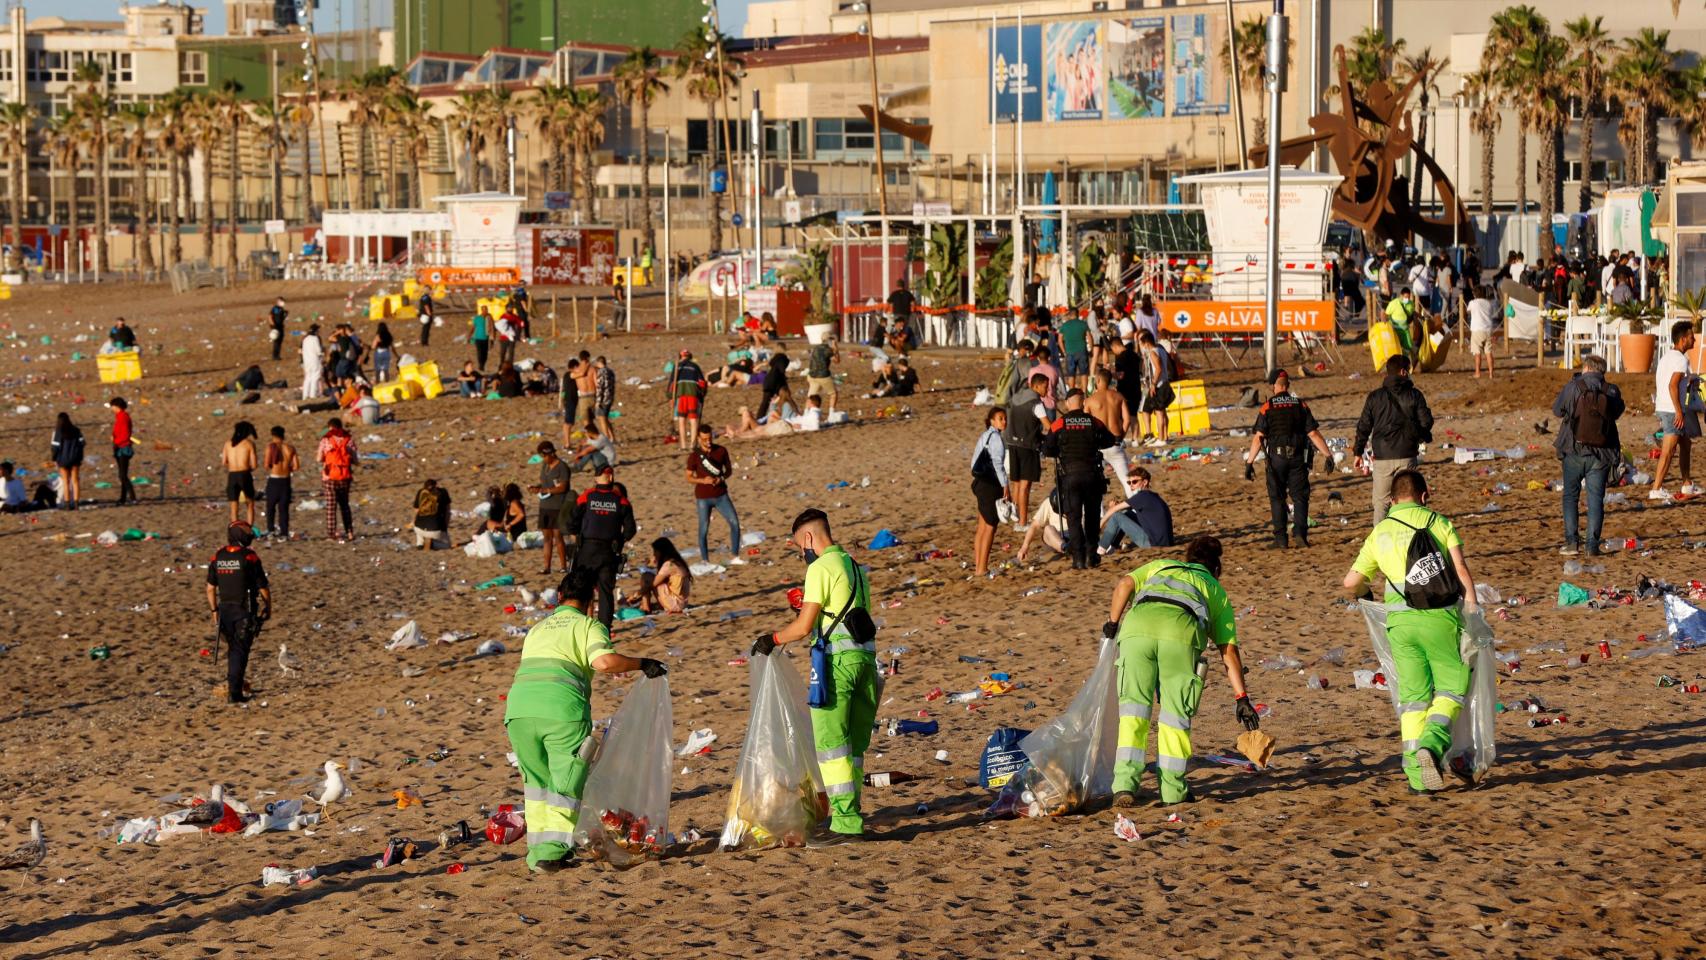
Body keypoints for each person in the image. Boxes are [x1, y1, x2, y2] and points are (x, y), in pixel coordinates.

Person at [504, 566, 666, 873]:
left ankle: (537, 854)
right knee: (566, 781)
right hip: (561, 711)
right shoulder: (588, 626)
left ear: (560, 598)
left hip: (519, 711)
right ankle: (553, 854)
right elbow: (603, 662)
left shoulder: (538, 629)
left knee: (537, 784)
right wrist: (643, 663)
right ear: (590, 601)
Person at [1342, 470, 1481, 794]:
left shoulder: (1381, 532)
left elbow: (1350, 582)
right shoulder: (1438, 522)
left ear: (1391, 499)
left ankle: (1418, 781)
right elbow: (1460, 569)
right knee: (1451, 689)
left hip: (1400, 624)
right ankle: (1432, 745)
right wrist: (1473, 611)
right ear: (1425, 494)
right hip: (1440, 619)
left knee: (1414, 699)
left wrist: (1366, 593)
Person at [750, 508, 877, 844]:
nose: (800, 553)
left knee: (832, 744)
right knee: (854, 744)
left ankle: (846, 822)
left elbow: (804, 627)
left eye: (798, 547)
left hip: (837, 664)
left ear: (807, 538)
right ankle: (852, 813)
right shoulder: (854, 566)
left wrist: (771, 639)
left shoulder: (820, 567)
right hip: (866, 660)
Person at [1104, 535, 1256, 806]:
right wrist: (1241, 698)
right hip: (1180, 636)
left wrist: (1113, 624)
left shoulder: (1162, 565)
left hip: (1136, 630)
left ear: (1186, 560)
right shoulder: (1215, 590)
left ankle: (1124, 785)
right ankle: (1173, 792)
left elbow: (1125, 584)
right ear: (1216, 570)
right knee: (1174, 717)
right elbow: (1228, 651)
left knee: (1133, 713)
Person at [1245, 369, 1335, 549]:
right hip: (1297, 457)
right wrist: (1328, 455)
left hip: (1276, 459)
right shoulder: (1300, 405)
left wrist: (1249, 463)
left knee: (1277, 497)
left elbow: (1259, 437)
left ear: (1273, 386)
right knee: (1300, 497)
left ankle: (1281, 539)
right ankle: (1300, 534)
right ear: (1288, 385)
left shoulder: (1267, 407)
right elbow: (1313, 433)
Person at [1551, 355, 1624, 555]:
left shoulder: (1573, 387)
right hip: (1602, 453)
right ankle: (1592, 546)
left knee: (1570, 496)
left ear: (1586, 368)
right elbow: (1618, 412)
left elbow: (1557, 410)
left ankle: (1572, 543)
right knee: (1595, 499)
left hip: (1573, 449)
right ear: (1602, 371)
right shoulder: (1611, 390)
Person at [1352, 354, 1434, 524]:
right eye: (1409, 370)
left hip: (1382, 457)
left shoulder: (1375, 397)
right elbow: (1426, 422)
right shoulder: (1414, 395)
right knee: (1410, 502)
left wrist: (1358, 452)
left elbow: (1364, 426)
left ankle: (1380, 542)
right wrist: (1417, 435)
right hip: (1407, 455)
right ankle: (1409, 536)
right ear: (1403, 372)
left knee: (1381, 503)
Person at [1044, 389, 1119, 569]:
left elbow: (1047, 449)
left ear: (1068, 403)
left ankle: (1078, 558)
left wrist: (1060, 451)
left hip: (1070, 477)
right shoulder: (1094, 422)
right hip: (1092, 475)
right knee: (1092, 517)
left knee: (1074, 518)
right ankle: (1091, 556)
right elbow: (1109, 440)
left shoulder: (1059, 423)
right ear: (1084, 403)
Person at [205, 521, 272, 705]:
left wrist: (214, 611)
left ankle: (235, 685)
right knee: (239, 652)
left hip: (225, 611)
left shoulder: (217, 556)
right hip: (244, 611)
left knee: (234, 649)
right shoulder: (250, 557)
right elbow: (263, 586)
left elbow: (210, 588)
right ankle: (235, 692)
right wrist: (268, 606)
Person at [567, 462, 636, 629]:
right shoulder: (621, 500)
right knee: (605, 592)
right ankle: (604, 630)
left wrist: (579, 534)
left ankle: (580, 626)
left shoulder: (586, 497)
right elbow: (630, 530)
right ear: (611, 478)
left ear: (596, 478)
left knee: (582, 590)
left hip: (587, 550)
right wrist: (618, 541)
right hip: (608, 552)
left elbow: (572, 522)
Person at [1651, 320, 1698, 501]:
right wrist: (1679, 411)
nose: (1694, 341)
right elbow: (1672, 385)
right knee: (1668, 451)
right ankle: (1656, 488)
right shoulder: (1681, 359)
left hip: (1664, 406)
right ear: (1683, 339)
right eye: (1692, 337)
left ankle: (1687, 484)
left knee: (1686, 444)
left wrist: (1689, 380)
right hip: (1672, 410)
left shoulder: (1667, 356)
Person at [687, 426, 745, 568]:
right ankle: (705, 560)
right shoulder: (694, 456)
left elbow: (729, 471)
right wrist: (703, 481)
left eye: (710, 438)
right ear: (699, 439)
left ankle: (735, 556)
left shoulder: (721, 451)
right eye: (705, 439)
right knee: (703, 529)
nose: (708, 442)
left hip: (721, 495)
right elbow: (688, 477)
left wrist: (722, 478)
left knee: (735, 523)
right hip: (703, 497)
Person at [1004, 372, 1049, 529]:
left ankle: (1018, 520)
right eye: (1045, 386)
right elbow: (1048, 426)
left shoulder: (1016, 398)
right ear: (1036, 386)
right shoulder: (1036, 403)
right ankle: (1023, 522)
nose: (1047, 390)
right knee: (1025, 486)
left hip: (1012, 443)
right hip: (1027, 446)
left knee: (1016, 484)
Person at [970, 407, 1010, 577]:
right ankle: (981, 568)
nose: (1004, 421)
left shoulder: (984, 436)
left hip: (980, 483)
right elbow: (998, 466)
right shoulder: (996, 439)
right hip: (990, 485)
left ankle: (978, 566)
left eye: (1005, 418)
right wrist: (1006, 486)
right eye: (1000, 418)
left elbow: (973, 463)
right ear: (992, 421)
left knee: (981, 527)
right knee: (990, 527)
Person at [1096, 466, 1173, 553]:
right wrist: (1116, 508)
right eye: (1129, 482)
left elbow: (1113, 511)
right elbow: (1126, 509)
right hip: (1166, 542)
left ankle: (1100, 549)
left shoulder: (1141, 496)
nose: (1131, 485)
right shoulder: (1151, 496)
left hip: (1154, 544)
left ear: (1145, 482)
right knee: (1126, 514)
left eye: (1135, 482)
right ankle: (1113, 547)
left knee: (1117, 516)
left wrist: (1100, 525)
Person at [1085, 368, 1135, 497]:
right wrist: (1120, 436)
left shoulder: (1090, 400)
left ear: (1098, 380)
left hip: (1098, 445)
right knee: (1127, 480)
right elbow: (1127, 420)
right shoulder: (1118, 396)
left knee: (1095, 483)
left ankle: (1100, 514)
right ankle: (1137, 510)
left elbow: (1085, 425)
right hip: (1115, 442)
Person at [532, 441, 572, 576]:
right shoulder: (545, 466)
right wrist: (537, 488)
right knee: (547, 538)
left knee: (558, 536)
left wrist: (545, 489)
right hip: (545, 506)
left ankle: (563, 566)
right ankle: (546, 567)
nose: (543, 459)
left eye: (544, 456)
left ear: (550, 453)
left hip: (558, 506)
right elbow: (545, 482)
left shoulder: (562, 467)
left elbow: (563, 487)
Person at [626, 537, 694, 613]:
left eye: (655, 552)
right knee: (649, 579)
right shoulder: (677, 561)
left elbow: (652, 584)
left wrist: (634, 596)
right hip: (682, 603)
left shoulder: (669, 565)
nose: (654, 554)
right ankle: (644, 604)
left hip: (675, 604)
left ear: (661, 552)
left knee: (646, 577)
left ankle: (646, 607)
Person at [316, 417, 357, 541]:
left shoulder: (326, 439)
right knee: (345, 506)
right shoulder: (348, 440)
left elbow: (318, 458)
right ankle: (349, 532)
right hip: (345, 476)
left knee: (331, 507)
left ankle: (331, 534)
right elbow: (355, 459)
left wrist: (327, 459)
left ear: (330, 427)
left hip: (329, 477)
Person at [1137, 330, 1173, 447]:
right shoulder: (1161, 350)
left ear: (1146, 343)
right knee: (1162, 413)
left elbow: (1158, 369)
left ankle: (1161, 438)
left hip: (1159, 385)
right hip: (1165, 383)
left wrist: (1153, 384)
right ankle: (1165, 437)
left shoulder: (1153, 352)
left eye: (1142, 344)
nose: (1142, 347)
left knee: (1159, 413)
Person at [263, 425, 299, 540]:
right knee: (284, 508)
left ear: (273, 435)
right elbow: (296, 466)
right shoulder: (290, 448)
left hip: (274, 479)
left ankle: (271, 530)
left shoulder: (271, 447)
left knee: (271, 507)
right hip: (286, 479)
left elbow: (266, 465)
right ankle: (284, 532)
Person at [221, 421, 259, 527]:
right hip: (244, 474)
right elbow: (254, 464)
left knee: (234, 505)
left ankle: (235, 527)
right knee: (250, 503)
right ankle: (249, 527)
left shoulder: (228, 444)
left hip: (232, 475)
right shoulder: (249, 444)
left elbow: (224, 461)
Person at [670, 350, 707, 451]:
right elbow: (702, 382)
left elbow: (672, 384)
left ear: (680, 356)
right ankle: (693, 445)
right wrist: (702, 394)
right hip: (693, 396)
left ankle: (683, 445)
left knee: (681, 420)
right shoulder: (695, 366)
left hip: (681, 396)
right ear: (690, 356)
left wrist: (670, 397)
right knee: (693, 420)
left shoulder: (676, 367)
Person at [1110, 337, 1146, 442]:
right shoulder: (1134, 354)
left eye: (1112, 350)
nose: (1113, 352)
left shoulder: (1120, 358)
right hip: (1136, 387)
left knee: (1122, 415)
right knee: (1133, 414)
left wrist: (1110, 374)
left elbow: (1121, 375)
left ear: (1115, 346)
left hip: (1125, 389)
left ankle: (1120, 438)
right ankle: (1135, 439)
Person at [49, 412, 84, 510]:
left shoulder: (58, 432)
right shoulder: (77, 430)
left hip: (63, 460)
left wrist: (54, 459)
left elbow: (55, 447)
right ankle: (76, 503)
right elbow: (82, 444)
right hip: (75, 459)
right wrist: (80, 457)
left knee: (65, 482)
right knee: (75, 481)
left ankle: (67, 504)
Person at [108, 397, 137, 506]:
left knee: (123, 475)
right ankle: (123, 499)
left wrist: (115, 440)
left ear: (116, 406)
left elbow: (125, 435)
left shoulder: (123, 417)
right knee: (122, 475)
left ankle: (132, 497)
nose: (111, 408)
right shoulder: (120, 417)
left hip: (123, 448)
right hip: (119, 448)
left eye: (112, 406)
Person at [413, 478, 452, 550]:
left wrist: (414, 523)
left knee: (419, 529)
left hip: (418, 527)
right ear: (436, 486)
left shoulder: (420, 492)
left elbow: (416, 511)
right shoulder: (443, 492)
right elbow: (448, 512)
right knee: (447, 545)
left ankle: (420, 544)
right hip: (434, 530)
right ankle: (432, 544)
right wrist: (445, 528)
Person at [1057, 309, 1091, 391]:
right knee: (1084, 373)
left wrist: (1064, 351)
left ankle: (1071, 393)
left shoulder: (1065, 325)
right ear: (1077, 314)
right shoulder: (1083, 324)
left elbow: (1059, 340)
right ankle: (1084, 393)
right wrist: (1091, 349)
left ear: (1069, 315)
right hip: (1082, 351)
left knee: (1071, 374)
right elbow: (1089, 337)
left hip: (1069, 352)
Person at [1467, 285, 1497, 378]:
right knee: (1488, 352)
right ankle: (1491, 373)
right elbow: (1491, 312)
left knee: (1477, 353)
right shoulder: (1488, 303)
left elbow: (1468, 311)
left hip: (1477, 330)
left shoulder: (1473, 303)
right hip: (1488, 329)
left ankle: (1477, 372)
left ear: (1475, 294)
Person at [805, 337, 840, 417]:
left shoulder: (816, 348)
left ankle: (806, 413)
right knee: (833, 394)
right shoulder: (827, 349)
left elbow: (833, 358)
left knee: (811, 396)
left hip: (812, 375)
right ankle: (831, 414)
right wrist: (835, 347)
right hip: (823, 376)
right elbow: (837, 361)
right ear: (830, 341)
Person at [756, 346, 789, 421]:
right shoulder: (783, 358)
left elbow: (772, 365)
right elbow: (781, 369)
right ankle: (785, 414)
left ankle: (759, 418)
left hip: (768, 381)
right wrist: (783, 376)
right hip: (777, 381)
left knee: (765, 402)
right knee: (785, 397)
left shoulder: (774, 358)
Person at [1384, 287, 1418, 360]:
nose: (1407, 299)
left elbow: (1412, 314)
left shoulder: (1411, 304)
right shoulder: (1393, 303)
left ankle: (1405, 363)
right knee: (1395, 349)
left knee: (1409, 346)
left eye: (1408, 297)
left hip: (1405, 330)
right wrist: (1384, 323)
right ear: (1401, 295)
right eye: (1406, 297)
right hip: (1395, 331)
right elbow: (1385, 314)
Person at [594, 356, 618, 441]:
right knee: (605, 417)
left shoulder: (601, 372)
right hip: (610, 397)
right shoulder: (611, 371)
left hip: (603, 399)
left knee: (602, 417)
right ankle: (612, 437)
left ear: (598, 362)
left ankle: (606, 437)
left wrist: (598, 401)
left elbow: (600, 387)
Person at [300, 323, 324, 400]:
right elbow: (318, 351)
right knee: (315, 378)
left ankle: (305, 395)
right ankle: (312, 395)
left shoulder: (305, 339)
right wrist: (322, 352)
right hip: (314, 360)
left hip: (306, 361)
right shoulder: (315, 339)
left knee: (307, 378)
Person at [470, 305, 493, 371]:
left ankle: (483, 364)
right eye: (484, 309)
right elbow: (473, 327)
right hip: (478, 338)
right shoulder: (477, 318)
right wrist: (469, 335)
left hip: (486, 338)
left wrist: (492, 339)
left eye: (486, 309)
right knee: (479, 352)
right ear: (481, 310)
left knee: (485, 353)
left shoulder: (489, 318)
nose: (485, 311)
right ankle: (481, 365)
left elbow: (492, 328)